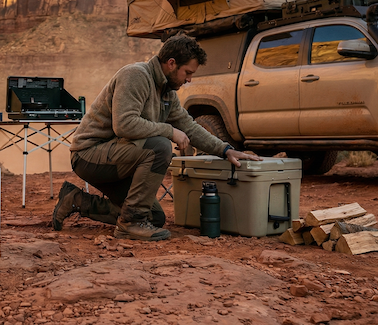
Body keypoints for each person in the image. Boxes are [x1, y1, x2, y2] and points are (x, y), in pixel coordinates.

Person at [52, 35, 260, 241]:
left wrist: (225, 150)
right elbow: (124, 124)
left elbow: (189, 126)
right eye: (187, 72)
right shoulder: (135, 75)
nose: (189, 80)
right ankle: (130, 225)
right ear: (171, 63)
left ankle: (76, 200)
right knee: (160, 146)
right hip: (89, 155)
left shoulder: (167, 92)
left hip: (120, 157)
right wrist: (169, 131)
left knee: (154, 217)